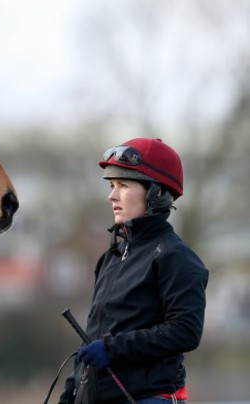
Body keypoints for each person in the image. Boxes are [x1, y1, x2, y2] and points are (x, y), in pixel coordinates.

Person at [59, 138, 209, 404]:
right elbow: (92, 335)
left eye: (124, 185)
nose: (112, 195)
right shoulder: (110, 257)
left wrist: (112, 349)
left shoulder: (177, 257)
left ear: (156, 194)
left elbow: (185, 331)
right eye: (112, 185)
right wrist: (70, 393)